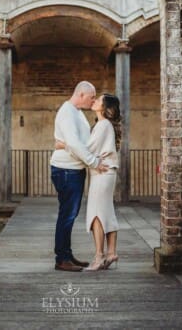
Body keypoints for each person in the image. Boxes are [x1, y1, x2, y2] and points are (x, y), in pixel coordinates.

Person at [56, 93, 121, 271]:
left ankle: (99, 256)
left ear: (105, 108)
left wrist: (63, 145)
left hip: (102, 174)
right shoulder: (102, 126)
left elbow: (85, 150)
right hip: (104, 173)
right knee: (106, 211)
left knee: (96, 214)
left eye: (98, 100)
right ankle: (111, 253)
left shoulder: (103, 125)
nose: (94, 101)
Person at [50, 81, 108, 272]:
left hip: (73, 169)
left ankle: (67, 255)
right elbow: (75, 144)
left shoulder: (77, 113)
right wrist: (94, 162)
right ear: (81, 94)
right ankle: (62, 259)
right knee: (67, 215)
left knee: (69, 215)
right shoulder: (67, 113)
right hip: (66, 171)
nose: (93, 101)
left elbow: (81, 142)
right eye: (92, 97)